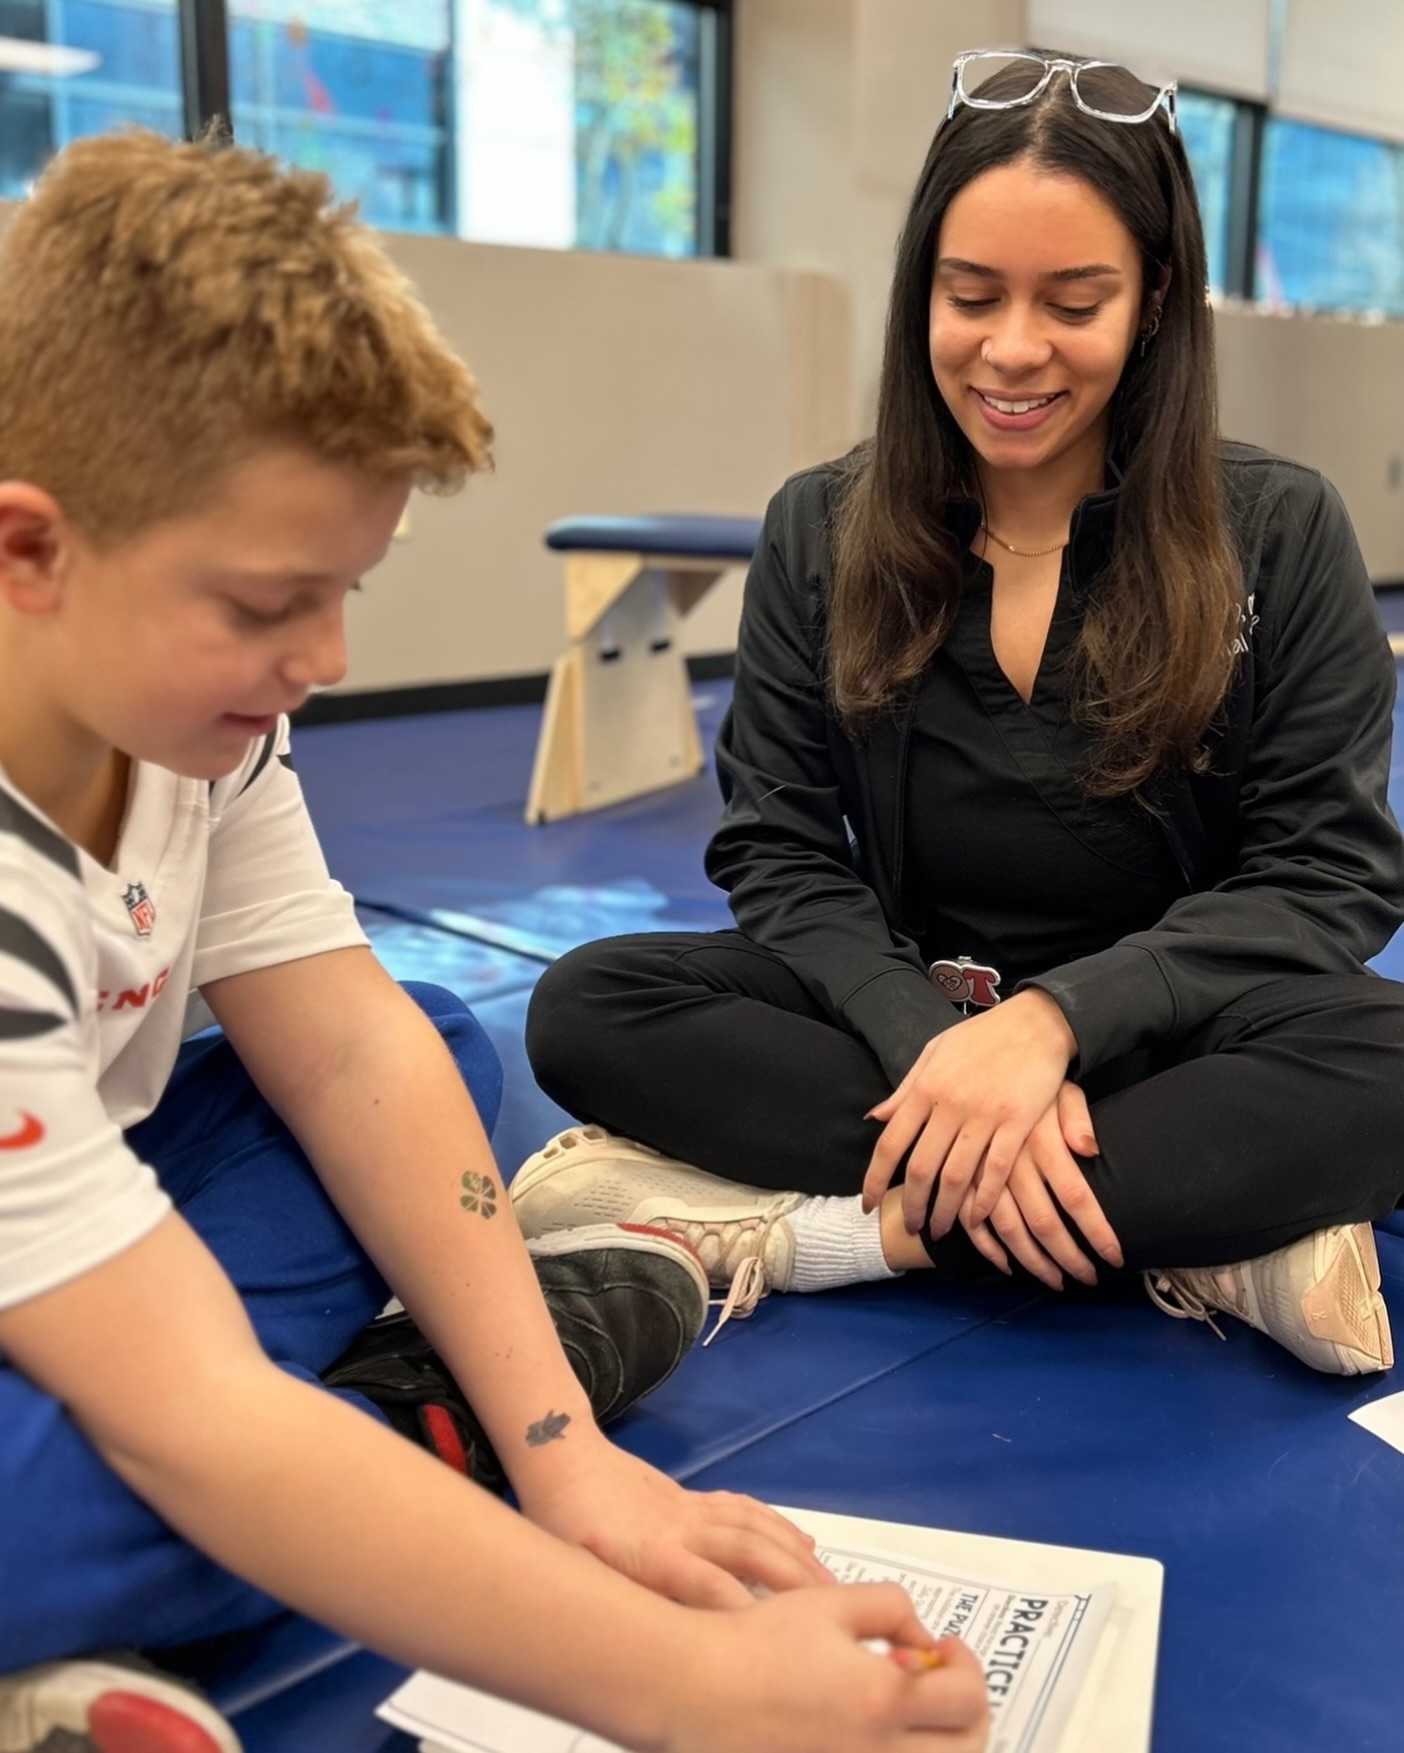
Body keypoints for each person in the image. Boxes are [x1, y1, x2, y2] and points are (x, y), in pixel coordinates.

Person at [0, 132, 991, 1753]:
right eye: (265, 605)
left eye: (348, 592)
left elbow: (340, 1042)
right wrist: (689, 1682)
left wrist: (561, 1448)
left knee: (423, 1051)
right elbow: (183, 1402)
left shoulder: (196, 728)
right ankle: (401, 1429)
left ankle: (393, 1433)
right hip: (93, 1300)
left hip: (82, 1235)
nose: (318, 658)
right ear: (28, 547)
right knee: (79, 1499)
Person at [516, 51, 1404, 1378]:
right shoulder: (821, 527)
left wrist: (1049, 1032)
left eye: (1075, 301)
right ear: (920, 288)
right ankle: (1201, 1232)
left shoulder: (1278, 529)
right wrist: (941, 1049)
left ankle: (828, 1228)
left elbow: (1329, 873)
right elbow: (780, 849)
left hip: (1171, 1041)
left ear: (1156, 298)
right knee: (590, 1004)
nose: (1012, 350)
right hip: (910, 1032)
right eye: (970, 295)